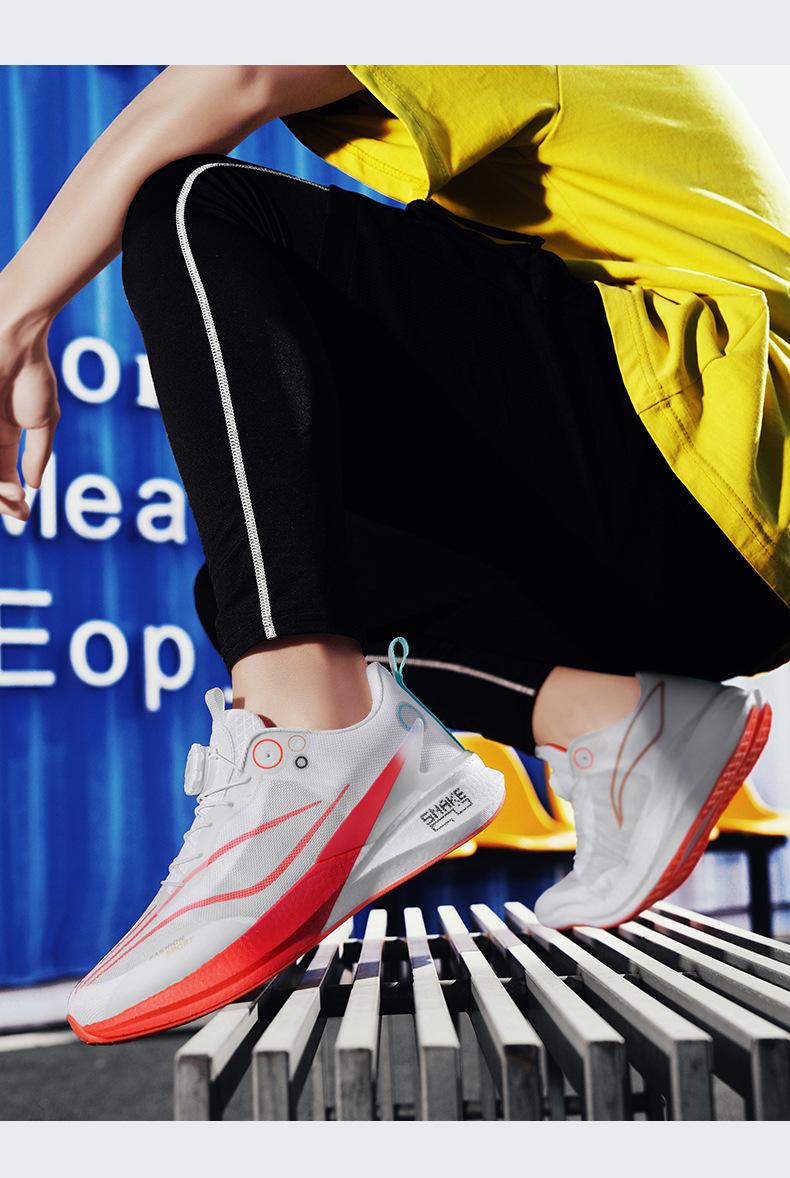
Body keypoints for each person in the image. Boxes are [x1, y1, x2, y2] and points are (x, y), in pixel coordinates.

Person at [0, 65, 787, 1044]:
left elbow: (238, 74)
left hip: (711, 448)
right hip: (698, 543)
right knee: (271, 575)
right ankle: (619, 721)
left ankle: (315, 753)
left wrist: (14, 314)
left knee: (193, 203)